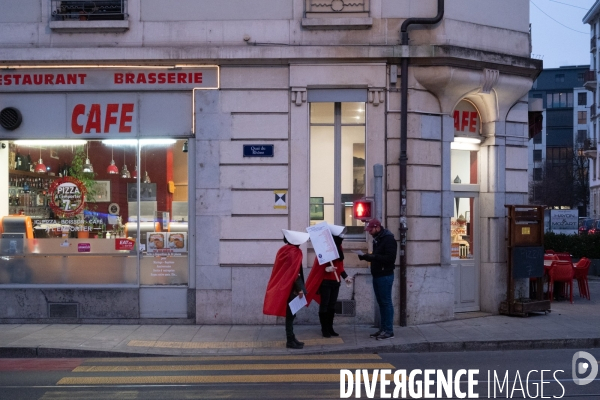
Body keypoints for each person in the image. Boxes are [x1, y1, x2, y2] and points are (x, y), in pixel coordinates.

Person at [263, 229, 310, 349]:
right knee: (290, 315)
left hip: (286, 286)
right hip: (291, 288)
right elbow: (295, 273)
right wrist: (299, 289)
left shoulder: (283, 250)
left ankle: (292, 338)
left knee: (291, 314)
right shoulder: (294, 252)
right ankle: (290, 340)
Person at [305, 224, 353, 338]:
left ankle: (330, 327)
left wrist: (345, 277)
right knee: (324, 304)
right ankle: (324, 329)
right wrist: (326, 268)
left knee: (332, 305)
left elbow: (340, 266)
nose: (341, 239)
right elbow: (319, 264)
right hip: (326, 281)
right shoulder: (324, 247)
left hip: (336, 281)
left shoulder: (339, 247)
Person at [357, 218, 397, 340]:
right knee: (381, 303)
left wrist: (373, 257)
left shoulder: (388, 239)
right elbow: (377, 257)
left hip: (385, 275)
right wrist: (366, 257)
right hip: (378, 275)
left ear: (377, 227)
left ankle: (389, 330)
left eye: (371, 229)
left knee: (386, 303)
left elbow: (389, 258)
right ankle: (383, 328)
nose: (369, 232)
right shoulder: (377, 239)